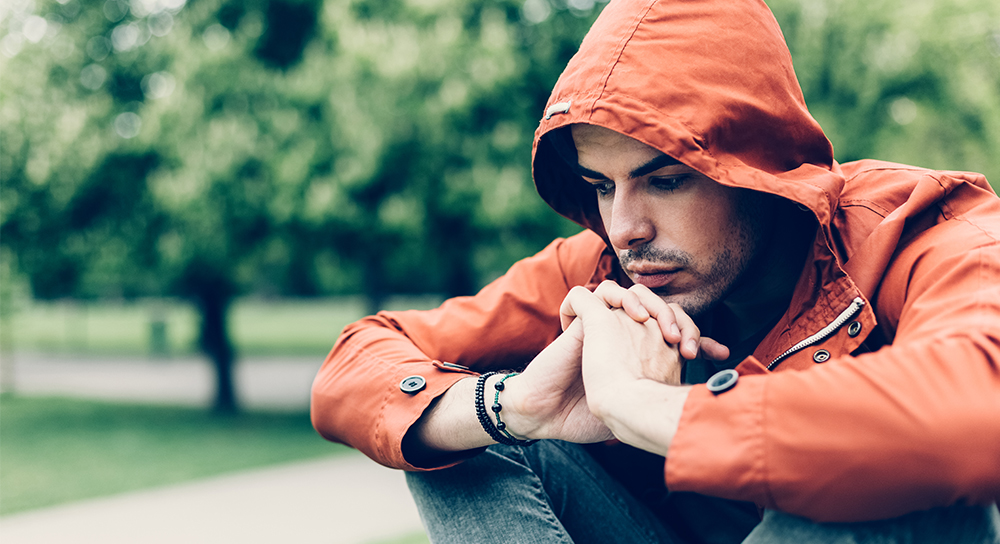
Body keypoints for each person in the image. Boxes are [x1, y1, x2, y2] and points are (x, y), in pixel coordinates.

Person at [311, 0, 1000, 541]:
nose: (625, 226)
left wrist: (644, 408)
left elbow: (976, 411)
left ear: (755, 169)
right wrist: (512, 407)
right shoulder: (608, 273)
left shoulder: (929, 228)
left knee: (889, 488)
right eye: (602, 186)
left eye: (665, 180)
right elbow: (355, 363)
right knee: (468, 442)